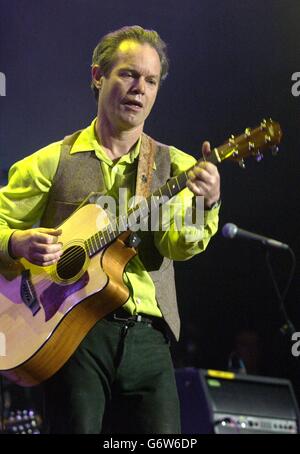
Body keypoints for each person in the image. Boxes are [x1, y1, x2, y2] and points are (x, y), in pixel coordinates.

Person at [0, 25, 220, 434]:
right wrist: (15, 241)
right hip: (73, 335)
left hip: (149, 340)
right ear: (98, 76)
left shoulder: (177, 166)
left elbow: (178, 245)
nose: (140, 88)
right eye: (128, 74)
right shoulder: (53, 160)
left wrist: (207, 203)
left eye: (151, 80)